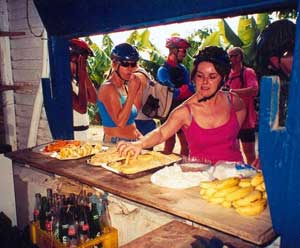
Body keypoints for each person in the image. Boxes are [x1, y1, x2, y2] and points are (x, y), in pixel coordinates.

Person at [117, 46, 247, 165]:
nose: (205, 82)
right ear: (194, 77)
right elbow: (162, 132)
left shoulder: (232, 100)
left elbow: (242, 109)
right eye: (200, 76)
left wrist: (232, 130)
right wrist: (140, 144)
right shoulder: (185, 111)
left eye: (212, 77)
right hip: (202, 178)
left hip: (236, 176)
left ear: (223, 78)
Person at [97, 43, 142, 144]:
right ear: (114, 64)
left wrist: (139, 137)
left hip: (131, 141)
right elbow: (120, 122)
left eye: (133, 64)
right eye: (125, 64)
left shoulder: (125, 87)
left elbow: (130, 121)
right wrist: (132, 93)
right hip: (116, 142)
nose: (130, 68)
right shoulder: (108, 88)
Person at [157, 37, 194, 156]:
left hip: (182, 109)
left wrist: (183, 90)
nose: (185, 54)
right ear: (173, 50)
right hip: (168, 110)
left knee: (186, 143)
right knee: (170, 142)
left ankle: (183, 169)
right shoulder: (163, 70)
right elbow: (172, 92)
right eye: (183, 50)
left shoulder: (183, 69)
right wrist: (185, 89)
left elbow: (191, 89)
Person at [225, 47, 259, 164]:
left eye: (233, 56)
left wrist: (232, 92)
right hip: (231, 121)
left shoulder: (248, 72)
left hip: (246, 122)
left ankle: (253, 178)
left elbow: (254, 90)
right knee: (233, 154)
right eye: (229, 56)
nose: (230, 59)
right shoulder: (227, 75)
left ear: (240, 57)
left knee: (250, 154)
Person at [69, 39, 97, 140]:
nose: (83, 65)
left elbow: (94, 99)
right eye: (81, 61)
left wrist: (84, 75)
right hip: (74, 134)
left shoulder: (75, 82)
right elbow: (82, 108)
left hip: (83, 133)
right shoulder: (63, 83)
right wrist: (81, 75)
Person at [133, 67, 157, 136]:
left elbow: (136, 106)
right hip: (148, 119)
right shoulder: (146, 74)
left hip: (137, 122)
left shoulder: (136, 76)